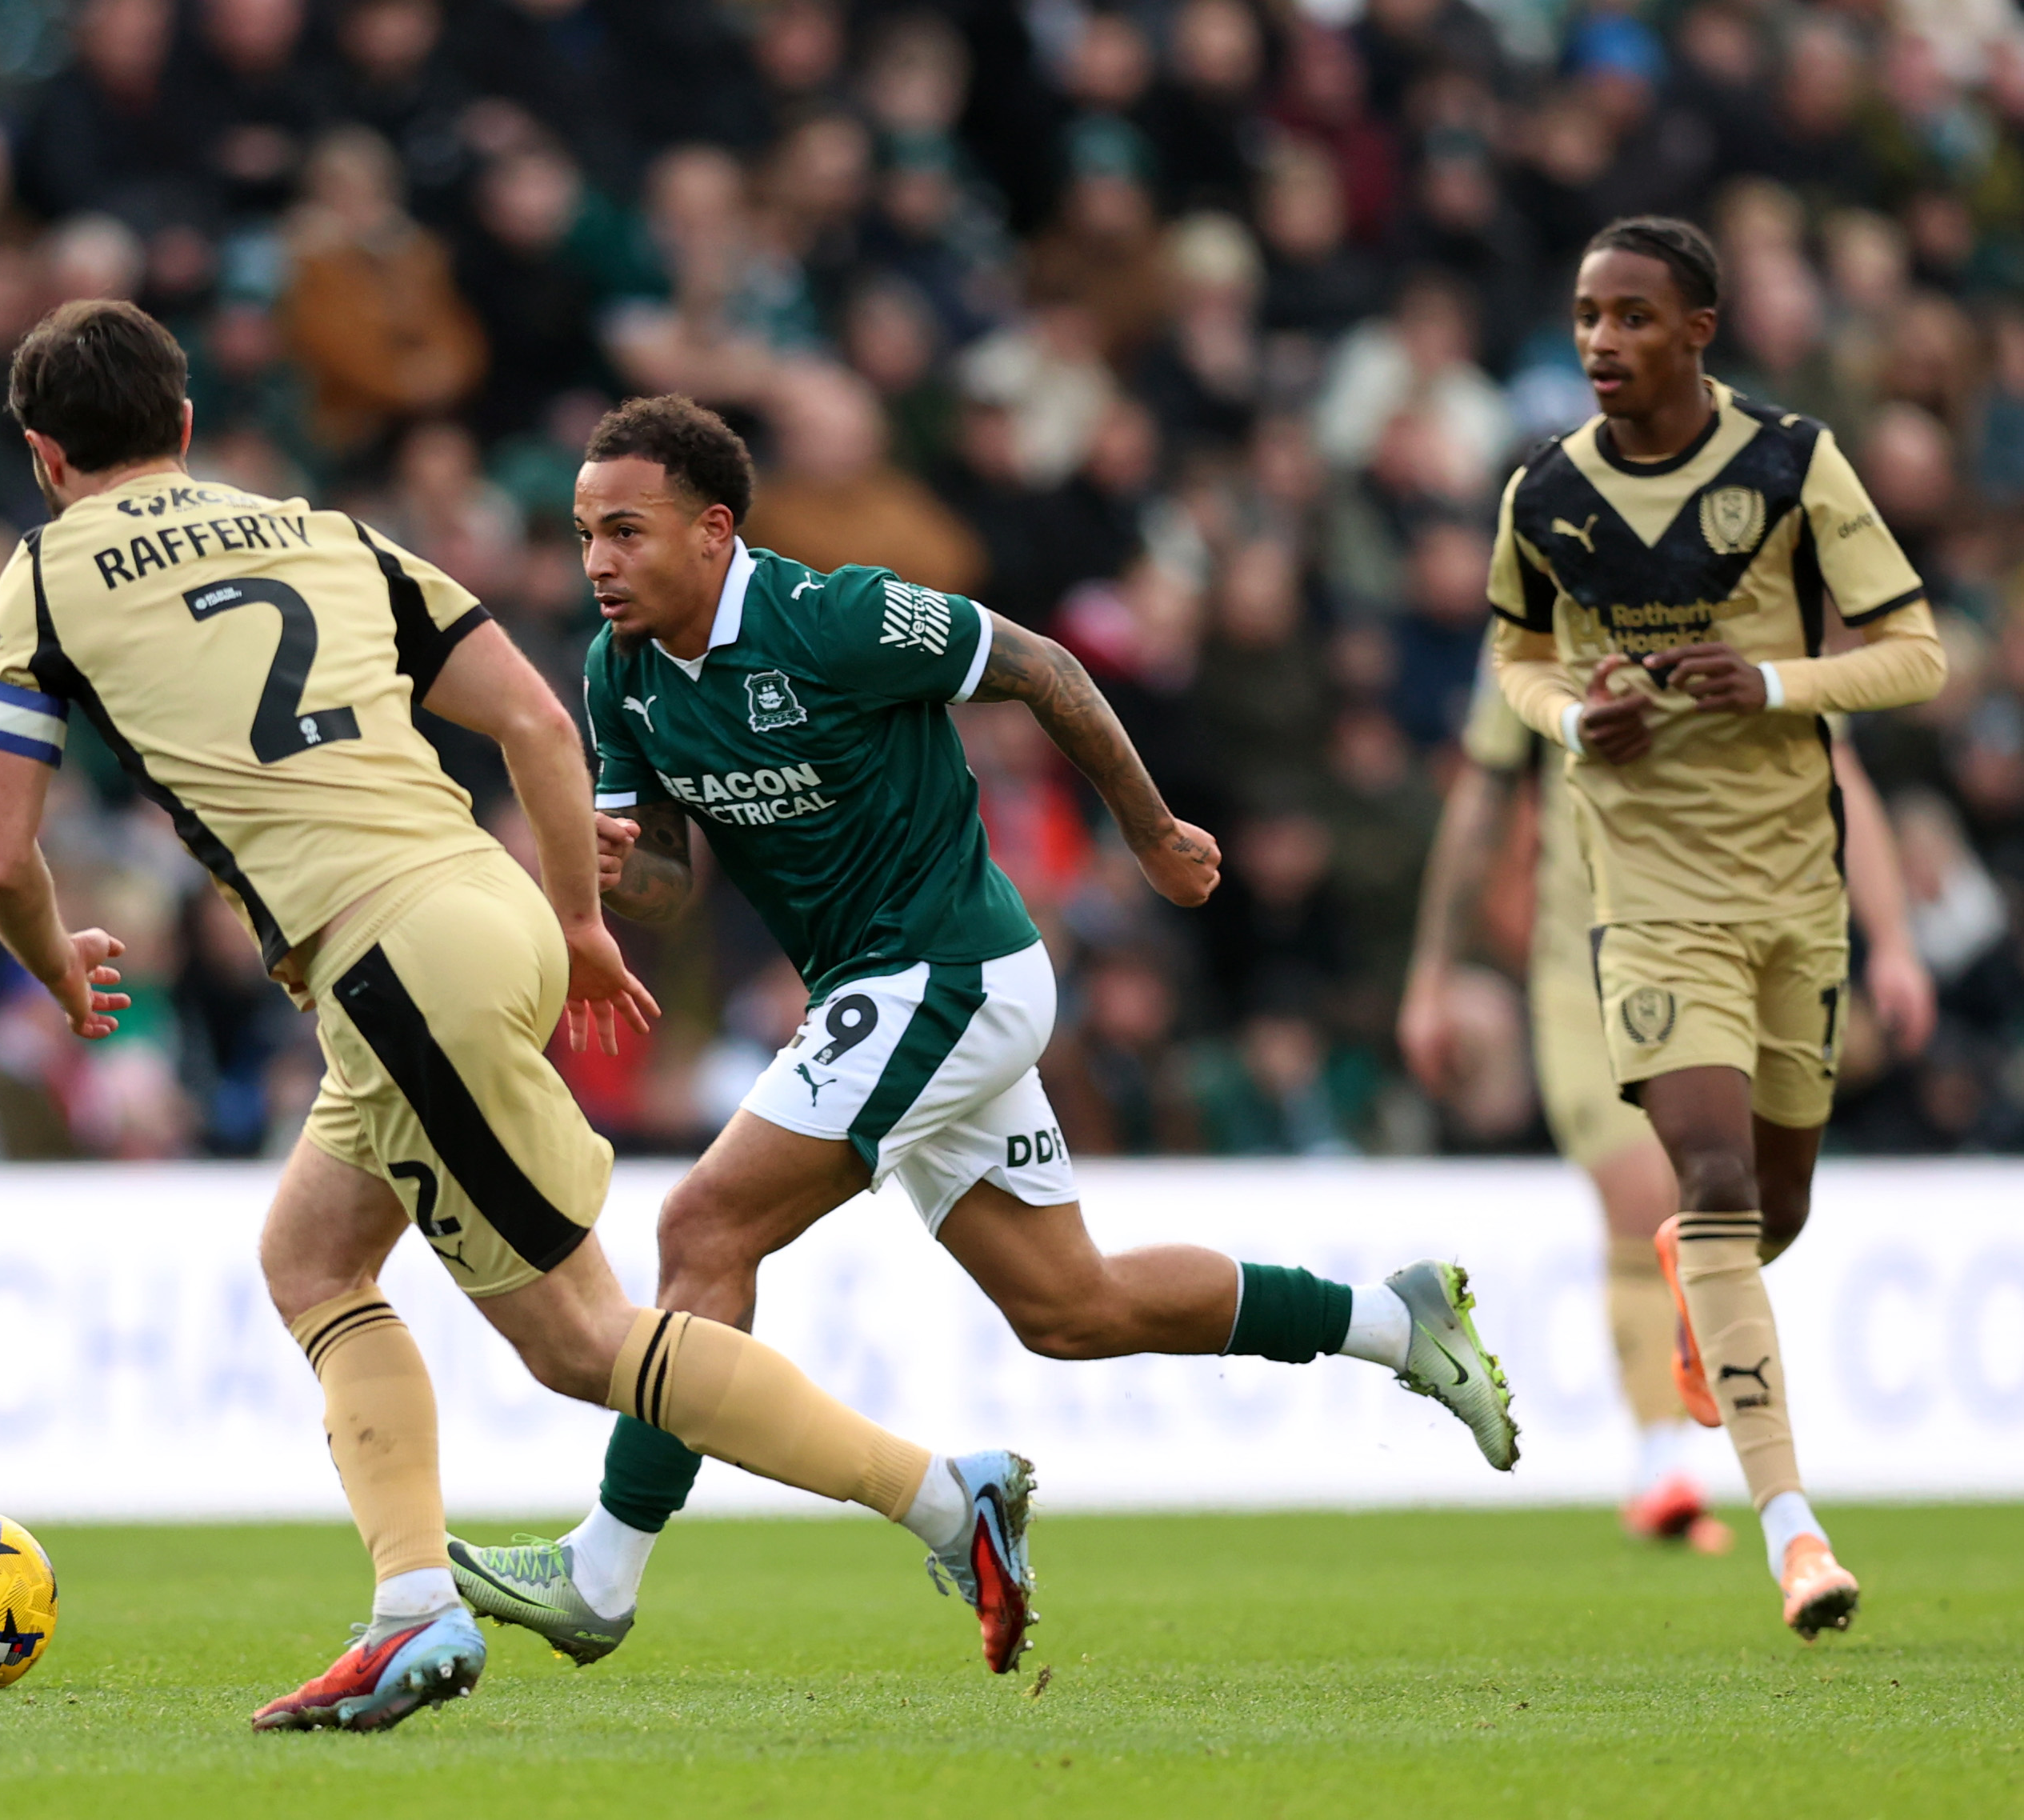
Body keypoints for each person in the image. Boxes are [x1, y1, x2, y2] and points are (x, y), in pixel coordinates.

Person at [0, 299, 1042, 1735]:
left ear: (44, 456)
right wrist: (578, 925)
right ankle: (411, 1602)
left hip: (385, 958)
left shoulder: (42, 577)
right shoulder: (328, 532)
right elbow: (534, 721)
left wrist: (52, 959)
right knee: (310, 1255)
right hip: (480, 908)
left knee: (580, 1339)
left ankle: (940, 1495)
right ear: (186, 426)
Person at [449, 394, 1520, 1668]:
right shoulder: (617, 672)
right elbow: (672, 878)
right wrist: (618, 866)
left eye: (624, 530)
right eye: (584, 534)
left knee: (701, 1228)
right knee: (1071, 1305)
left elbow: (1045, 668)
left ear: (712, 529)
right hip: (886, 992)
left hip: (946, 967)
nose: (598, 560)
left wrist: (1148, 831)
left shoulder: (836, 616)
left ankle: (602, 1570)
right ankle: (1395, 1320)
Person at [1486, 217, 1946, 1639]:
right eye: (1585, 314)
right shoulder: (1541, 493)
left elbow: (1914, 654)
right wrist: (1574, 721)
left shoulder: (1791, 465)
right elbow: (1511, 660)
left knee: (1769, 1205)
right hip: (1645, 896)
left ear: (1697, 329)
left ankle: (1704, 1297)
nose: (1599, 341)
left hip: (1791, 893)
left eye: (1631, 316)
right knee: (1706, 1174)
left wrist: (1772, 683)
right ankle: (1792, 1532)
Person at [1403, 638, 1934, 1551]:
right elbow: (1484, 796)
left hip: (1738, 953)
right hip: (1586, 965)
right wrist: (1431, 974)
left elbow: (1838, 776)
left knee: (1748, 1197)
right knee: (1637, 1189)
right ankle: (1661, 1463)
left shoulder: (1757, 614)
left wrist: (1892, 941)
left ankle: (1695, 1308)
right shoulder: (1535, 633)